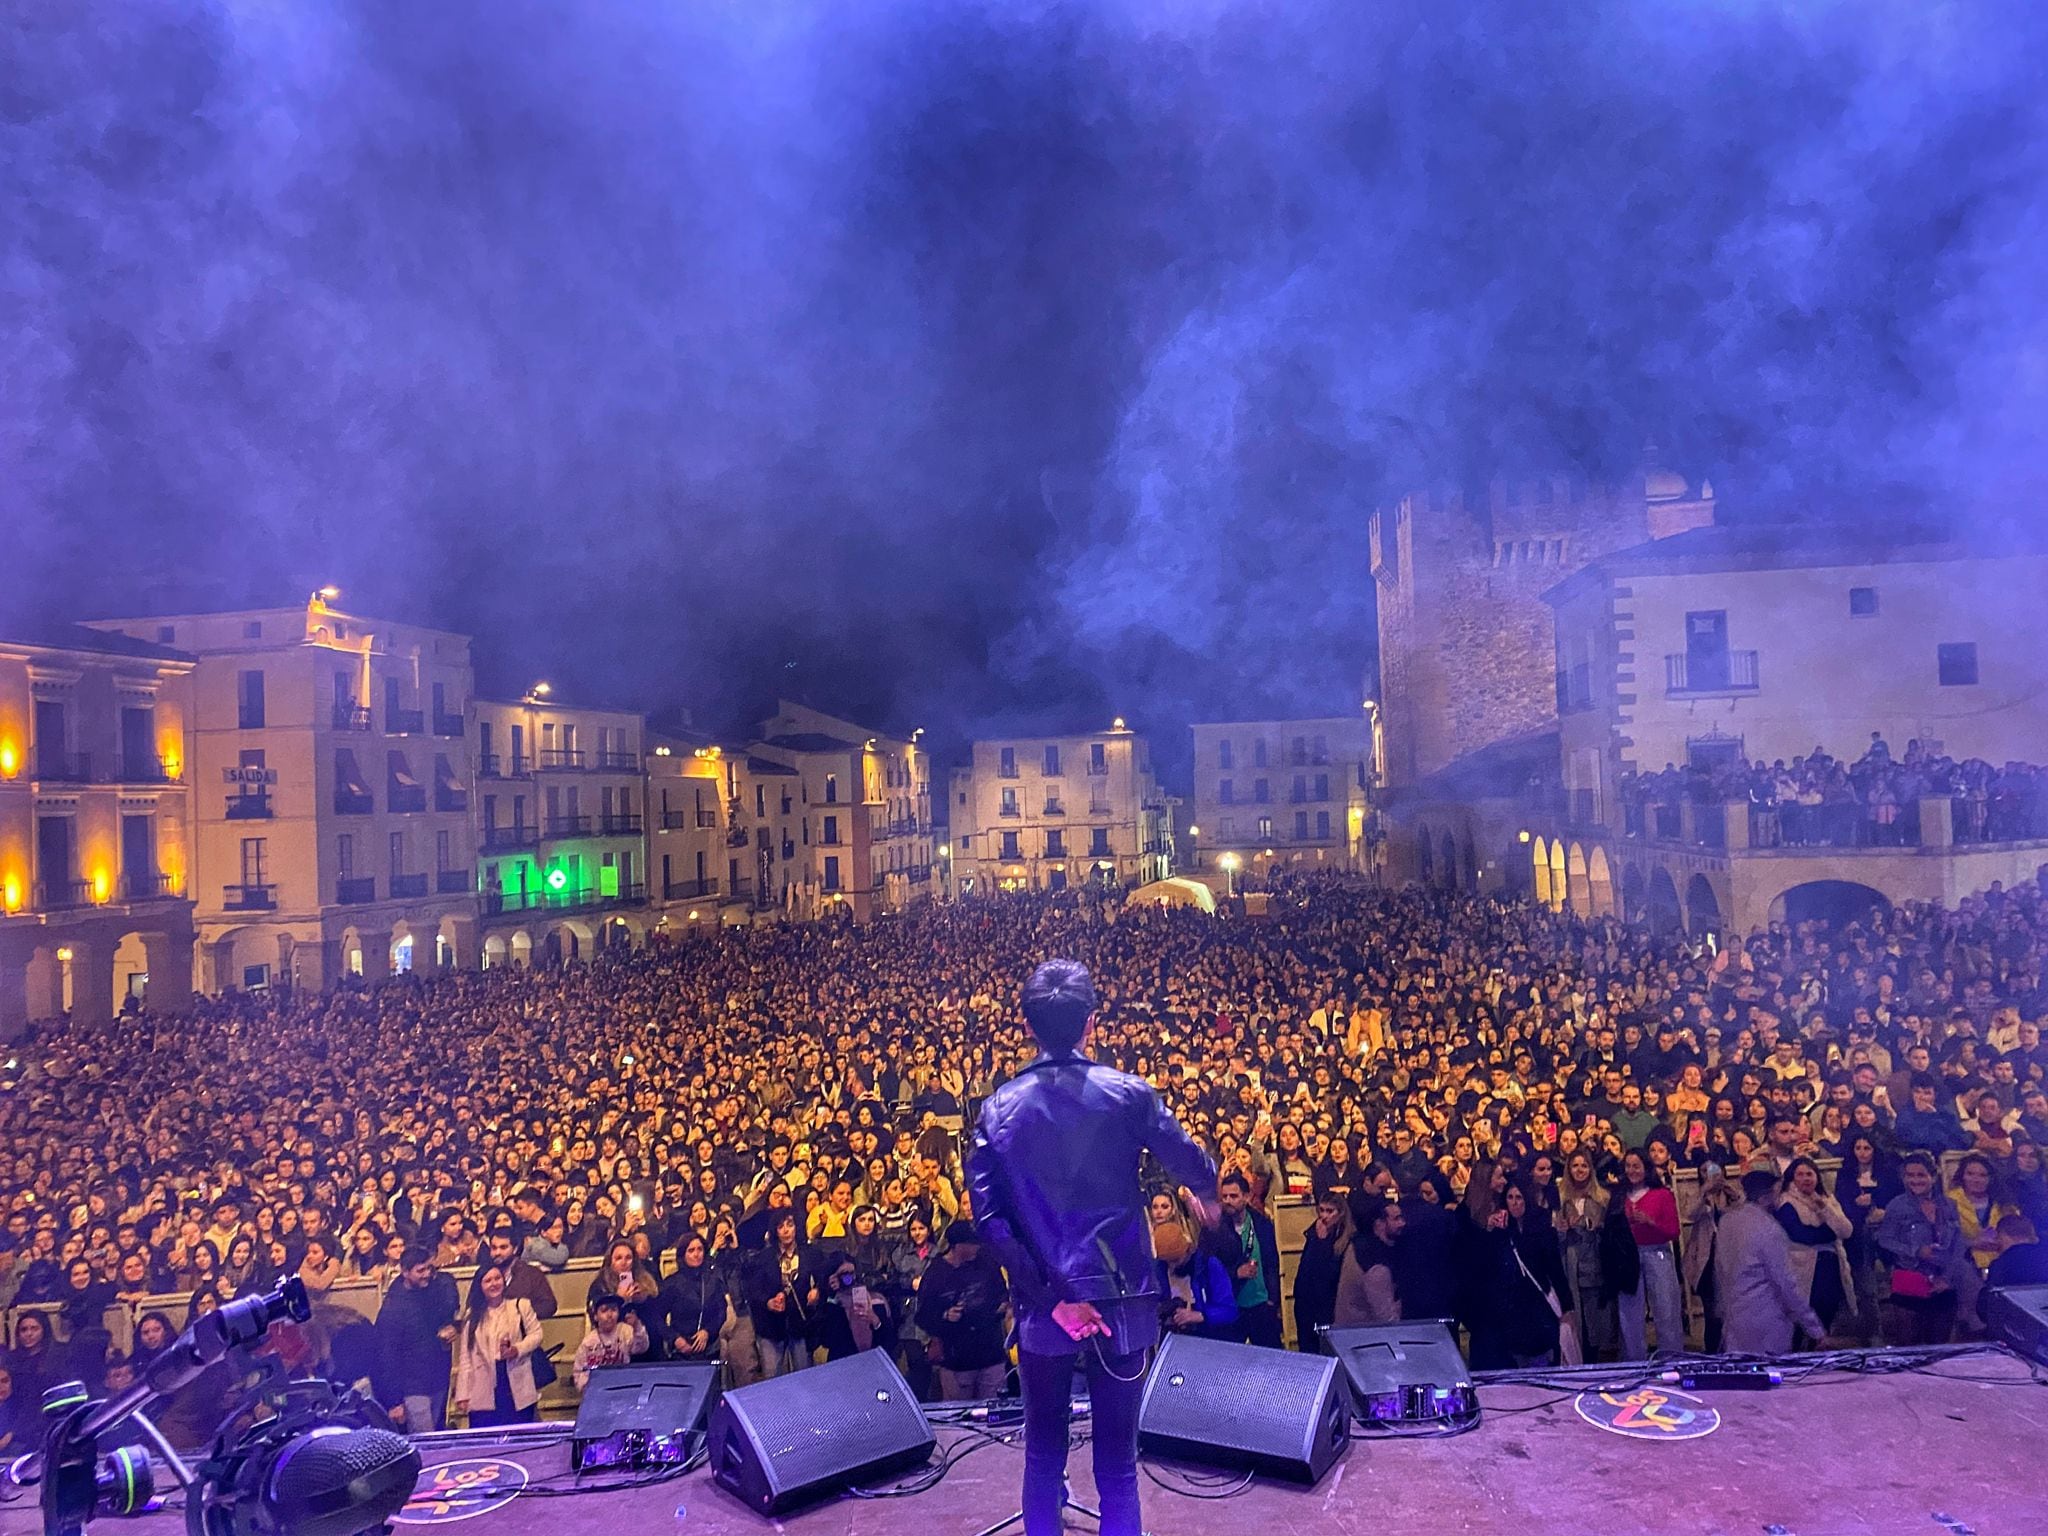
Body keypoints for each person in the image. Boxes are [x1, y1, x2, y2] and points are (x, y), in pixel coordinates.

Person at [964, 958, 1218, 1536]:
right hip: (1122, 1300)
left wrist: (1052, 1298)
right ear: (1093, 1024)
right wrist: (1206, 1190)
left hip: (1043, 1306)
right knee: (1118, 1466)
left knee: (1043, 1455)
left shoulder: (998, 1109)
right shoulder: (1128, 1094)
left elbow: (991, 1221)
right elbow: (1189, 1158)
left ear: (1027, 1026)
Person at [1716, 1170, 1826, 1353]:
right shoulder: (1768, 1228)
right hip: (1766, 1317)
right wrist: (1814, 1328)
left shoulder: (1727, 1221)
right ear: (1766, 1197)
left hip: (1734, 1316)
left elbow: (1720, 1269)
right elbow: (1785, 1282)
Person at [915, 1221, 1010, 1400]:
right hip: (957, 1359)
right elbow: (922, 1315)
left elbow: (1002, 1294)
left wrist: (1001, 1307)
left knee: (993, 1411)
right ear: (958, 1246)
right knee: (960, 1413)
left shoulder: (987, 1262)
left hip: (991, 1353)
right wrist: (945, 1315)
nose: (976, 1247)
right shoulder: (936, 1273)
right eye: (972, 1243)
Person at [1876, 1152, 1963, 1345]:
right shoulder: (1897, 1206)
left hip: (1943, 1282)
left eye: (1921, 1175)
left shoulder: (1949, 1205)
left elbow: (1959, 1243)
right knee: (1909, 1344)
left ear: (1933, 1176)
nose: (1915, 1180)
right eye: (1910, 1175)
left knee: (1939, 1345)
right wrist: (1916, 1250)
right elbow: (1885, 1239)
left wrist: (1947, 1278)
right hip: (1911, 1279)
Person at [373, 1245, 459, 1433]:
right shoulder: (393, 1307)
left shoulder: (435, 1292)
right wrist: (394, 1401)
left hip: (437, 1379)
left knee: (436, 1433)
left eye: (429, 1268)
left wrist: (453, 1328)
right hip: (412, 1385)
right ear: (405, 1271)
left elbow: (449, 1317)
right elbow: (386, 1355)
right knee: (426, 1438)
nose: (427, 1274)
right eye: (420, 1270)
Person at [453, 1263, 547, 1426]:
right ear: (480, 1286)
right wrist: (463, 1393)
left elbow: (537, 1335)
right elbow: (465, 1357)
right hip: (484, 1383)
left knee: (519, 1432)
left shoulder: (521, 1305)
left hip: (515, 1376)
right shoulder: (472, 1315)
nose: (494, 1284)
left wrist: (517, 1349)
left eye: (497, 1278)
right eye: (488, 1280)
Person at [1775, 1157, 1854, 1345]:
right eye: (1800, 1175)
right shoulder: (1786, 1202)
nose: (1805, 1179)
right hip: (1804, 1268)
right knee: (1802, 1320)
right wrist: (1829, 1233)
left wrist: (1823, 1209)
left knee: (1827, 1313)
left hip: (1830, 1265)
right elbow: (1800, 1234)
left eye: (1809, 1174)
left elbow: (1846, 1230)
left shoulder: (1827, 1199)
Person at [1615, 1150, 1685, 1357]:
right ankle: (1634, 1360)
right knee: (1630, 1312)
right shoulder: (1619, 1196)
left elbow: (1674, 1231)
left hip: (1657, 1253)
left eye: (1636, 1166)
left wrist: (1651, 1223)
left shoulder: (1662, 1194)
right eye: (1628, 1166)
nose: (1631, 1170)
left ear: (1646, 1167)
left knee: (1666, 1309)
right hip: (1628, 1256)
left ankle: (1671, 1359)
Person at [743, 1211, 820, 1377]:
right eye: (780, 1226)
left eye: (790, 1225)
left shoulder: (810, 1253)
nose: (785, 1230)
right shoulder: (763, 1258)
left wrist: (817, 1291)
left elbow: (824, 1278)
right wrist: (768, 1302)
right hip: (771, 1326)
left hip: (800, 1324)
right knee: (771, 1375)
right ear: (774, 1231)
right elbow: (752, 1291)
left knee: (804, 1375)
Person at [1333, 1192, 1404, 1328]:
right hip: (1365, 1338)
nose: (1402, 1223)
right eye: (1396, 1219)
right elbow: (1387, 1318)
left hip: (1348, 1334)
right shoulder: (1375, 1263)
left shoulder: (1355, 1245)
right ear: (1379, 1224)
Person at [1292, 1192, 1352, 1351]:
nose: (1324, 1216)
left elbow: (1330, 1273)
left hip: (1328, 1306)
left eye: (1330, 1211)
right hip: (1306, 1305)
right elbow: (1305, 1269)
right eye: (1322, 1210)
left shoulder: (1345, 1240)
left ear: (1340, 1213)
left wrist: (1323, 1243)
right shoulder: (1313, 1233)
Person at [657, 1233, 727, 1363]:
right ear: (683, 1254)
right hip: (680, 1351)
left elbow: (721, 1312)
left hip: (709, 1349)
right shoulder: (672, 1283)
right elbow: (658, 1317)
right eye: (691, 1250)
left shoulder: (712, 1280)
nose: (696, 1254)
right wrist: (675, 1339)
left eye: (699, 1249)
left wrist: (707, 1332)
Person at [1979, 1214, 2048, 1323]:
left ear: (2004, 1235)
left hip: (2016, 1329)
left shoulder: (2003, 1264)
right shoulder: (2044, 1257)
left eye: (1998, 1236)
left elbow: (1988, 1307)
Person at [572, 1293, 649, 1391]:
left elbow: (642, 1347)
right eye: (604, 1311)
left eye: (613, 1310)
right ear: (595, 1316)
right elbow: (578, 1373)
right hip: (598, 1389)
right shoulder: (589, 1342)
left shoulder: (625, 1331)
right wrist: (590, 1386)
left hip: (623, 1386)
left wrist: (637, 1326)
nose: (610, 1315)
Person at [484, 1231, 559, 1320]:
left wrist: (519, 1313)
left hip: (523, 1330)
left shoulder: (532, 1274)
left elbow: (549, 1306)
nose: (497, 1252)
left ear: (515, 1249)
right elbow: (473, 1304)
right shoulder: (484, 1274)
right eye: (494, 1248)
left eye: (503, 1247)